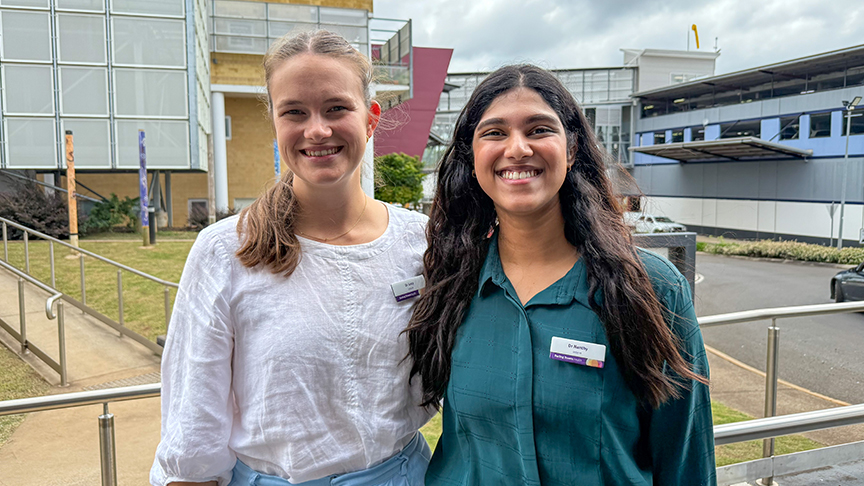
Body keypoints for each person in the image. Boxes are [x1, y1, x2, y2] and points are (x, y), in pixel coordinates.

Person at [406, 64, 716, 485]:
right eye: (494, 133)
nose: (517, 148)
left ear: (571, 150)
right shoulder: (451, 283)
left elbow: (687, 461)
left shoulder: (652, 288)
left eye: (538, 130)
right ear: (472, 156)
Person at [151, 30, 433, 486]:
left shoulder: (420, 242)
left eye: (336, 108)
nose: (317, 130)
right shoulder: (226, 250)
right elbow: (194, 425)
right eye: (294, 112)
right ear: (276, 124)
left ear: (371, 119)